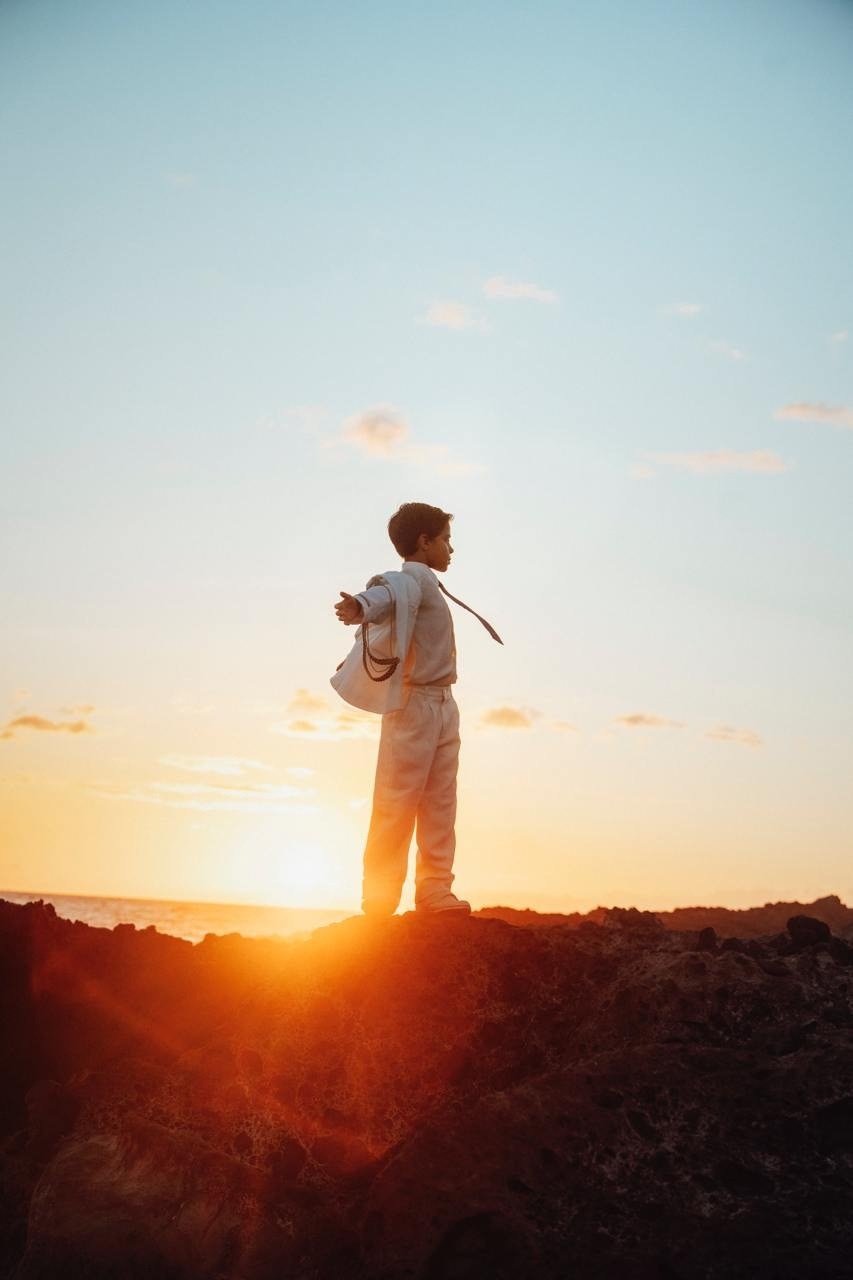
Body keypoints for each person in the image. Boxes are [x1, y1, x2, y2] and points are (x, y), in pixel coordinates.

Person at [332, 502, 501, 918]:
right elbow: (388, 592)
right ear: (423, 543)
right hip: (414, 705)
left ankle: (434, 890)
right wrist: (360, 605)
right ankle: (380, 895)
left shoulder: (428, 584)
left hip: (443, 703)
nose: (451, 549)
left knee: (441, 802)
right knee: (397, 799)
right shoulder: (413, 580)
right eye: (445, 539)